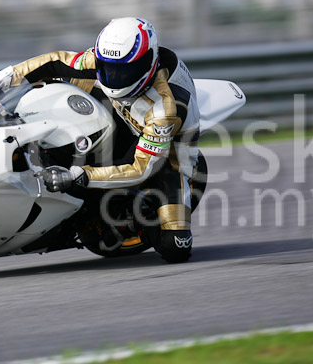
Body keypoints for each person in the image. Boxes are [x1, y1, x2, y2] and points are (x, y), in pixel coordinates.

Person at [13, 17, 200, 263]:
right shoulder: (105, 60)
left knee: (175, 247)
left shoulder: (165, 108)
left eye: (124, 71)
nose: (114, 75)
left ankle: (128, 213)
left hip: (165, 155)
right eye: (108, 67)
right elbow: (55, 61)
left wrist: (80, 176)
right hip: (120, 110)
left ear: (147, 64)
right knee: (57, 87)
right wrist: (3, 81)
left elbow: (141, 168)